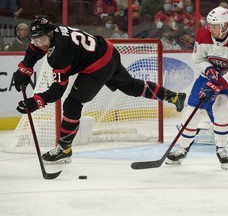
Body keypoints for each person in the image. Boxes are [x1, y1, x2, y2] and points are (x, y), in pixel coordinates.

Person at [14, 17, 186, 163]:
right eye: (37, 40)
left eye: (43, 40)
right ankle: (173, 96)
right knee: (131, 86)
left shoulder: (60, 51)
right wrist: (24, 70)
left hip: (97, 66)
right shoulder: (50, 34)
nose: (41, 44)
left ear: (51, 34)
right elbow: (33, 51)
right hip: (108, 51)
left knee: (73, 103)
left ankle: (64, 149)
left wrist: (36, 101)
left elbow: (57, 90)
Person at [165, 6, 228, 169]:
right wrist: (209, 70)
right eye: (209, 24)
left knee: (221, 106)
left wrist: (217, 84)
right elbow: (198, 58)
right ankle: (182, 148)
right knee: (191, 111)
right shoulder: (203, 34)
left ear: (225, 25)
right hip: (208, 76)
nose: (209, 28)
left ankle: (222, 148)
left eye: (214, 25)